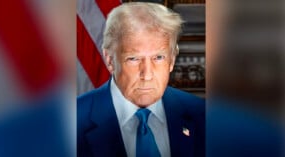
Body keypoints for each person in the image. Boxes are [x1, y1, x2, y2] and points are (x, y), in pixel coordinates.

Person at [77, 2, 205, 157]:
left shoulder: (203, 116)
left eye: (158, 57)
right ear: (110, 60)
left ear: (171, 60)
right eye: (133, 59)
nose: (147, 75)